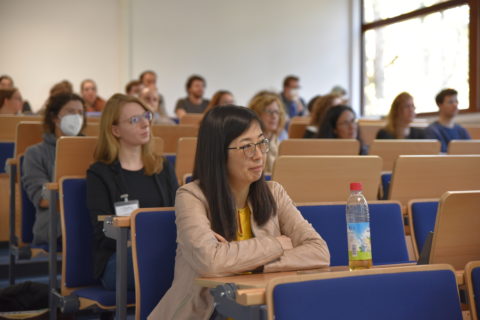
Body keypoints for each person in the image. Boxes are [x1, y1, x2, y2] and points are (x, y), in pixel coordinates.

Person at [149, 106, 330, 319]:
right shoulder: (191, 196)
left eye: (261, 143)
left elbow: (319, 252)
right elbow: (211, 262)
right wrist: (278, 244)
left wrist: (247, 263)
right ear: (218, 153)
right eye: (246, 147)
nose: (258, 155)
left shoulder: (274, 192)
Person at [86, 94, 178, 290]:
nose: (145, 124)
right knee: (167, 262)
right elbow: (102, 232)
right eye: (134, 120)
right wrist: (142, 243)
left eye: (146, 116)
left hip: (163, 250)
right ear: (116, 130)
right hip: (119, 258)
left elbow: (178, 214)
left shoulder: (162, 166)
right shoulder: (99, 173)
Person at [22, 93, 86, 245]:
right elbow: (42, 199)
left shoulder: (93, 149)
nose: (77, 117)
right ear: (55, 117)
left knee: (118, 232)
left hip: (91, 218)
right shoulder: (35, 153)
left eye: (80, 113)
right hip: (54, 224)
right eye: (71, 112)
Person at [248, 92, 287, 172]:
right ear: (257, 114)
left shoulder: (280, 142)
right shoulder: (249, 144)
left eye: (277, 112)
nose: (274, 116)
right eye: (269, 111)